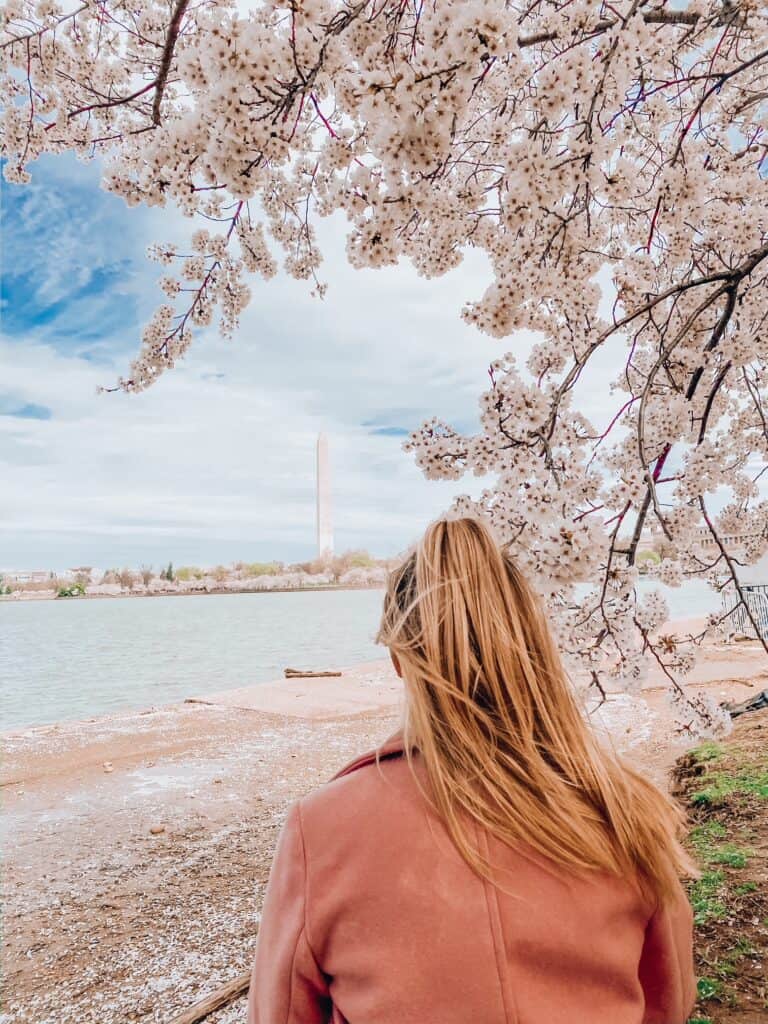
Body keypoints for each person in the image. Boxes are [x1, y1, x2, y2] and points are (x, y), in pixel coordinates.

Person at [247, 516, 697, 1024]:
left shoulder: (320, 829)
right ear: (532, 641)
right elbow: (668, 1001)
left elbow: (282, 1013)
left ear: (400, 658)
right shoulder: (623, 809)